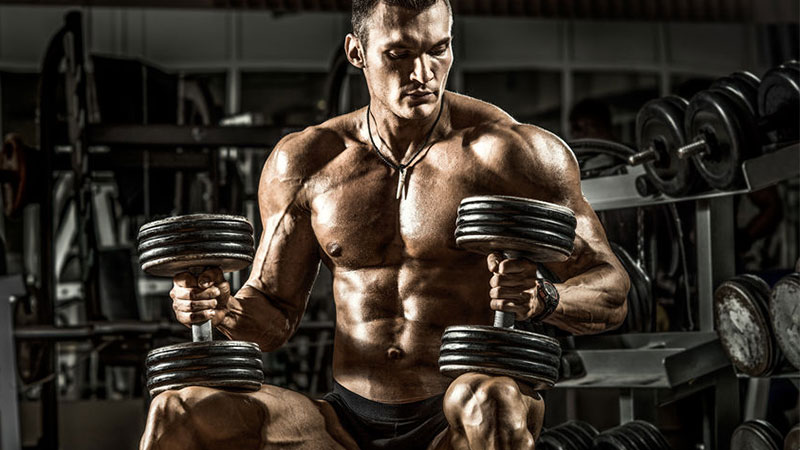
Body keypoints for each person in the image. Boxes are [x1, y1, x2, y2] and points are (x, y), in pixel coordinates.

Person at [140, 1, 629, 449]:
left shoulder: (511, 155)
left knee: (492, 402)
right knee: (176, 410)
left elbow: (611, 289)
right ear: (357, 52)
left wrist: (547, 298)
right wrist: (219, 307)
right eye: (399, 54)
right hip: (344, 421)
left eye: (439, 50)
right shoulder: (309, 161)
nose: (423, 73)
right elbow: (271, 312)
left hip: (458, 413)